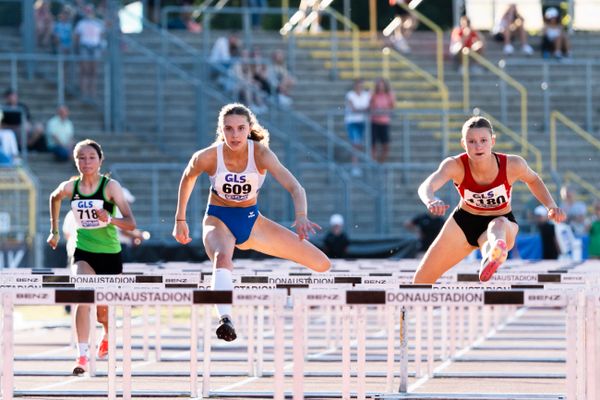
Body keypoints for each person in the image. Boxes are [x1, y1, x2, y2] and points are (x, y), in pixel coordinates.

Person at [173, 103, 330, 342]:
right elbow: (188, 176)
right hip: (219, 219)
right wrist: (180, 219)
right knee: (222, 258)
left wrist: (301, 216)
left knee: (322, 264)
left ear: (249, 129)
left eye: (240, 128)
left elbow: (295, 187)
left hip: (252, 222)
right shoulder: (208, 156)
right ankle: (225, 319)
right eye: (229, 129)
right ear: (221, 130)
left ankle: (223, 297)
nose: (234, 135)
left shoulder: (261, 154)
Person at [412, 116, 565, 284]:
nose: (478, 146)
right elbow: (427, 185)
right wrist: (430, 200)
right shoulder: (454, 165)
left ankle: (494, 254)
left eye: (483, 140)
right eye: (472, 142)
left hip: (502, 221)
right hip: (463, 222)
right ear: (463, 144)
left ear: (492, 141)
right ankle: (492, 255)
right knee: (421, 278)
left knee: (495, 228)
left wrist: (551, 205)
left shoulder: (513, 164)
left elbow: (533, 180)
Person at [47, 139, 136, 375]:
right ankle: (82, 355)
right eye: (81, 158)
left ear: (100, 160)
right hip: (83, 252)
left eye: (91, 157)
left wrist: (110, 218)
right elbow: (54, 197)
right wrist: (54, 230)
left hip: (109, 254)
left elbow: (130, 222)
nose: (86, 162)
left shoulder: (110, 187)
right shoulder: (70, 187)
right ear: (75, 161)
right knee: (83, 297)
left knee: (103, 311)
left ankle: (106, 333)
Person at [74, 4, 105, 99]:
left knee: (93, 71)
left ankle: (92, 92)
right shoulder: (81, 24)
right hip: (85, 47)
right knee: (85, 70)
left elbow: (101, 36)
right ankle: (84, 91)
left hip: (95, 47)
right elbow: (76, 37)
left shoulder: (98, 23)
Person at [344, 79, 371, 176]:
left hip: (363, 122)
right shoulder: (350, 94)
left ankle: (360, 164)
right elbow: (353, 108)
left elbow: (368, 107)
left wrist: (361, 109)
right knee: (355, 144)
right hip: (352, 122)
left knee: (360, 144)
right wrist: (362, 109)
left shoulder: (366, 95)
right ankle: (355, 165)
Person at [369, 78, 394, 163]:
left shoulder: (388, 95)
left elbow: (392, 107)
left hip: (384, 122)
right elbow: (370, 106)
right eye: (379, 85)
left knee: (385, 145)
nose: (380, 87)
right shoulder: (373, 95)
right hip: (375, 122)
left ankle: (381, 162)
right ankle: (373, 162)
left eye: (382, 85)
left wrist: (384, 110)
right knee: (373, 145)